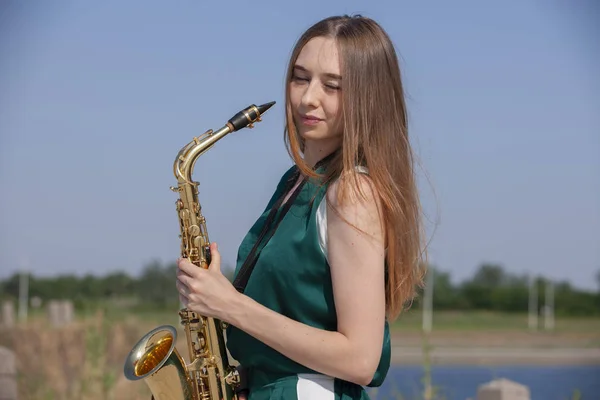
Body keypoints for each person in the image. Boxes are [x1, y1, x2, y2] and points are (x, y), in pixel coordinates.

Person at [176, 14, 426, 400]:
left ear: (368, 97)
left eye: (332, 86)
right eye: (300, 77)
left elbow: (360, 359)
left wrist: (229, 305)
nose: (308, 97)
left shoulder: (352, 192)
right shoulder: (298, 181)